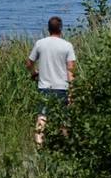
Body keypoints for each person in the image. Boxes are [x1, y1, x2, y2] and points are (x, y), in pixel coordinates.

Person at [25, 16, 76, 146]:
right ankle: (65, 146)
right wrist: (72, 90)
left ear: (48, 29)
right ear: (61, 29)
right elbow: (71, 70)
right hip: (62, 87)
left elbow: (29, 63)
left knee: (42, 117)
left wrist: (34, 73)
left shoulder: (40, 44)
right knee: (63, 119)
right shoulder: (67, 46)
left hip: (44, 87)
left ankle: (39, 146)